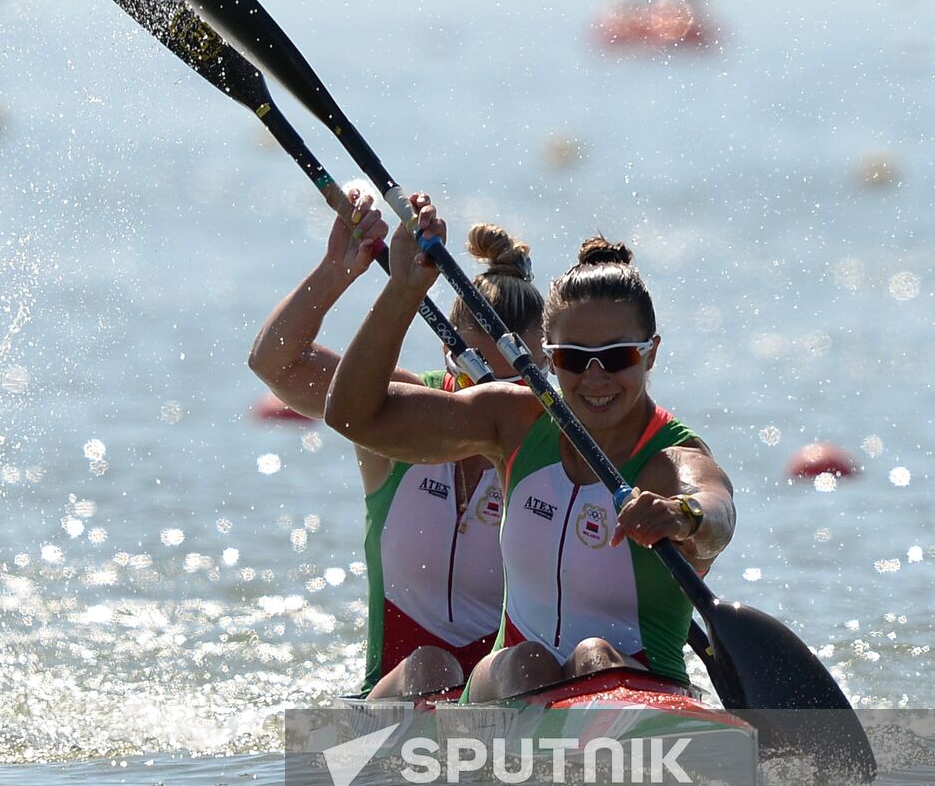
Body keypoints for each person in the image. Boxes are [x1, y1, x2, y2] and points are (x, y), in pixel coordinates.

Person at [324, 194, 735, 703]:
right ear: (546, 357)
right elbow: (352, 416)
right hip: (513, 681)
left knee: (594, 655)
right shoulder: (515, 420)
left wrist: (683, 515)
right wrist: (404, 291)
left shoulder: (671, 458)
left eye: (618, 356)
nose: (595, 376)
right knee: (492, 663)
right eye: (573, 358)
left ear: (651, 353)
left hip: (636, 691)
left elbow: (717, 512)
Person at [248, 188, 545, 700]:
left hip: (504, 691)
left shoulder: (562, 442)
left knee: (529, 661)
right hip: (401, 691)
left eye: (518, 383)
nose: (499, 407)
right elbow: (276, 364)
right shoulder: (390, 413)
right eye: (484, 382)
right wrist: (338, 270)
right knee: (430, 666)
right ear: (450, 349)